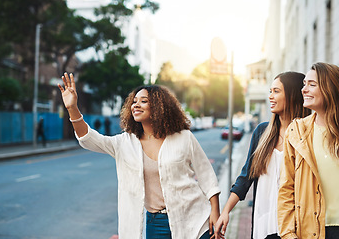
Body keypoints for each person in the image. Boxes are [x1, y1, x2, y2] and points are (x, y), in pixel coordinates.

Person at [57, 72, 221, 239]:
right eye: (134, 102)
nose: (136, 105)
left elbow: (206, 174)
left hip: (194, 217)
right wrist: (72, 108)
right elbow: (89, 139)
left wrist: (215, 211)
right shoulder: (124, 143)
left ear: (159, 106)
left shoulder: (184, 137)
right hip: (156, 224)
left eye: (144, 101)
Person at [214, 72, 311, 239]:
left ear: (292, 95)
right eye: (270, 91)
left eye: (276, 91)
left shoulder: (308, 135)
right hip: (263, 223)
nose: (270, 97)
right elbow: (246, 177)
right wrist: (225, 211)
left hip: (294, 227)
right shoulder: (262, 132)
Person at [278, 62, 339, 239]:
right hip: (313, 230)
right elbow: (286, 189)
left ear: (330, 89)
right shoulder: (296, 131)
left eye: (312, 84)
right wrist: (288, 234)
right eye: (304, 84)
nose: (304, 89)